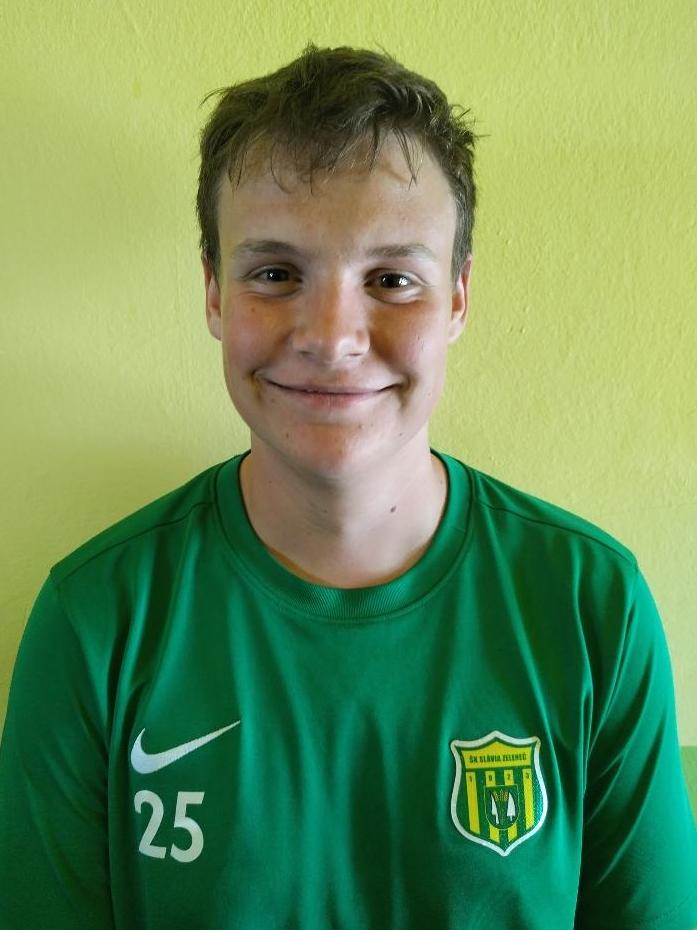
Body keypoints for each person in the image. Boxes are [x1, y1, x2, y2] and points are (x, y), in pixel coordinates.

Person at [0, 41, 695, 930]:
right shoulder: (96, 619)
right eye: (275, 274)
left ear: (456, 299)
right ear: (213, 293)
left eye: (392, 279)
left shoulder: (591, 605)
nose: (331, 339)